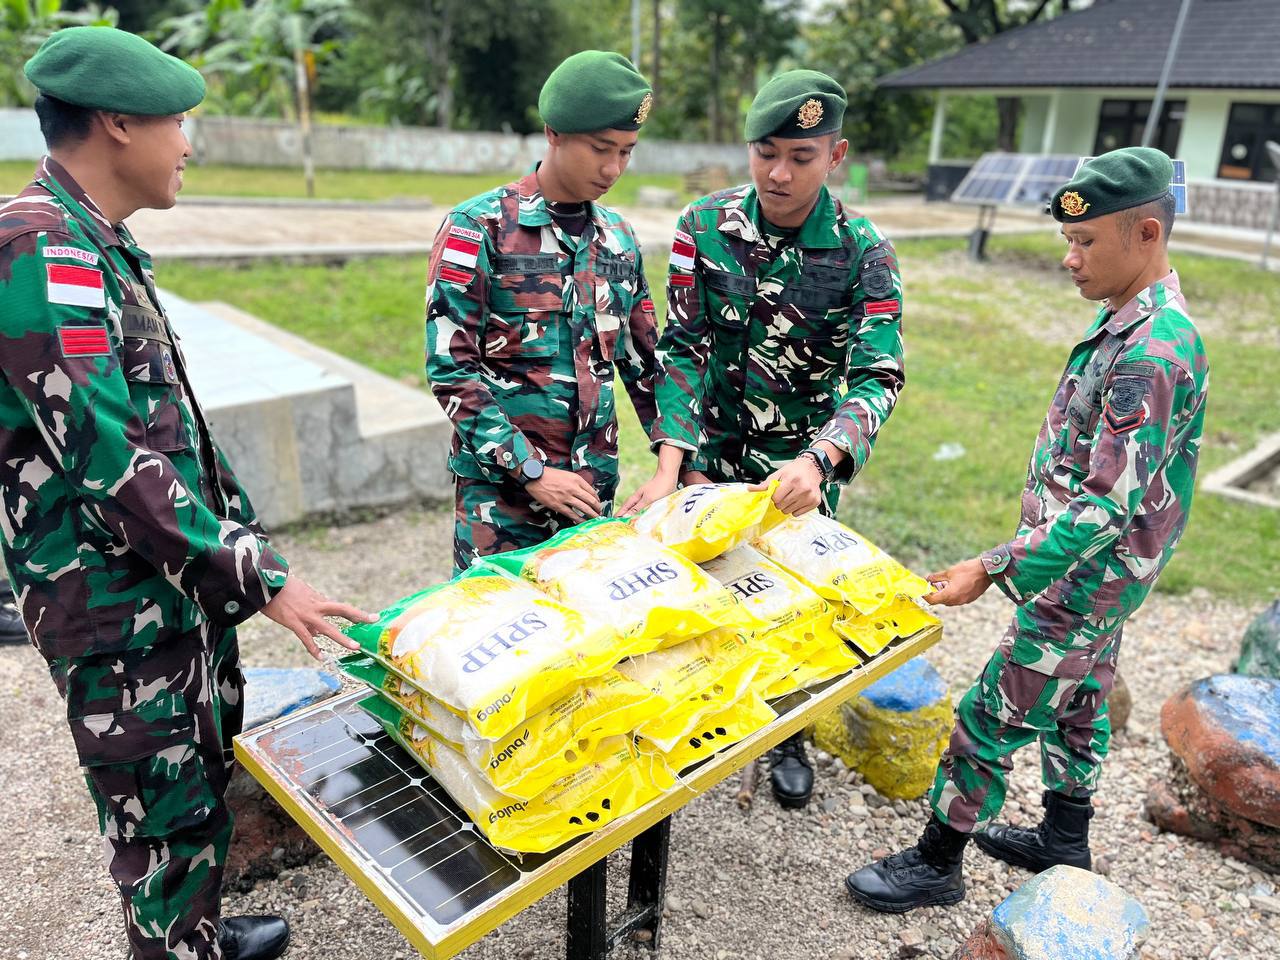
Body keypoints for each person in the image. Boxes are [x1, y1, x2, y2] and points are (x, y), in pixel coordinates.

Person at [0, 26, 374, 959]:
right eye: (178, 123)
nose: (190, 144)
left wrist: (240, 539)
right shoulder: (40, 249)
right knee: (156, 812)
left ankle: (193, 934)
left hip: (160, 586)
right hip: (110, 602)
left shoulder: (98, 240)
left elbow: (177, 431)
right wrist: (264, 577)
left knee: (194, 781)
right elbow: (109, 463)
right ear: (119, 124)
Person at [845, 147, 1209, 913]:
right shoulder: (1134, 324)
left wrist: (994, 566)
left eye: (1085, 244)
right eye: (1066, 241)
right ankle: (1065, 839)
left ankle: (938, 863)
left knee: (990, 712)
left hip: (1084, 572)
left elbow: (1105, 506)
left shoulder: (1151, 353)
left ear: (1146, 234)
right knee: (1079, 700)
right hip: (1098, 576)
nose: (1068, 259)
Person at [622, 70, 906, 809]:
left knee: (793, 610)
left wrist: (822, 460)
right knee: (694, 595)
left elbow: (878, 375)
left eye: (801, 157)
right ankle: (696, 724)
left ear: (835, 155)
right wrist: (671, 461)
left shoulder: (862, 249)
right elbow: (680, 347)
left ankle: (789, 733)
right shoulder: (704, 225)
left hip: (797, 467)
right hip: (705, 458)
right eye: (764, 151)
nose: (779, 173)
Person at [424, 51, 661, 573]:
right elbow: (450, 369)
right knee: (498, 637)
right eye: (601, 149)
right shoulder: (478, 228)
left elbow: (648, 365)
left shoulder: (618, 239)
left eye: (626, 151)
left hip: (590, 495)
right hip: (501, 502)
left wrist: (675, 465)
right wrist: (531, 470)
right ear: (554, 134)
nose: (613, 169)